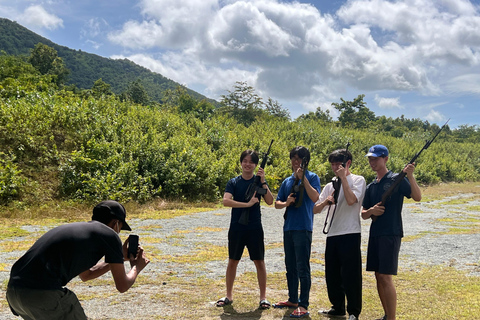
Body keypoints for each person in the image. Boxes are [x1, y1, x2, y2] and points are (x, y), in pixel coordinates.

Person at [6, 200, 150, 320]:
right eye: (119, 228)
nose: (118, 232)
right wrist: (137, 267)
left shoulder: (80, 231)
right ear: (115, 223)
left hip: (15, 293)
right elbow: (122, 286)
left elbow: (87, 275)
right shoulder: (110, 235)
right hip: (43, 294)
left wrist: (119, 258)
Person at [361, 145, 421, 320]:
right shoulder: (371, 185)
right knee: (378, 276)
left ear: (386, 159)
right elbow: (364, 214)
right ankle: (387, 315)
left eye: (376, 158)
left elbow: (417, 197)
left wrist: (410, 175)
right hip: (376, 234)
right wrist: (372, 211)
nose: (372, 162)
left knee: (386, 277)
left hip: (391, 232)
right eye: (370, 158)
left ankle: (392, 318)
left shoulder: (397, 179)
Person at [216, 149, 274, 309]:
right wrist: (246, 204)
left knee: (259, 261)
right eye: (245, 161)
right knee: (233, 260)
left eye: (251, 162)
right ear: (241, 163)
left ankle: (263, 298)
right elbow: (226, 201)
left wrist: (263, 181)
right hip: (237, 227)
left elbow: (270, 201)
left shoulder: (259, 182)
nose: (248, 164)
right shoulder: (233, 182)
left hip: (255, 227)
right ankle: (228, 295)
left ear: (256, 165)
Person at [314, 149, 366, 320]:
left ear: (348, 163)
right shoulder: (330, 185)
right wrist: (325, 201)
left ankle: (353, 311)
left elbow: (352, 201)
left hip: (350, 231)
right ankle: (337, 307)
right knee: (332, 274)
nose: (335, 167)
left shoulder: (358, 180)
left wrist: (343, 178)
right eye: (333, 164)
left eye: (339, 164)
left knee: (351, 274)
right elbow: (315, 209)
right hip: (333, 233)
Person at [273, 146, 321, 318]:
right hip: (289, 228)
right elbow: (276, 203)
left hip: (303, 227)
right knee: (290, 266)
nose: (295, 161)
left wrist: (303, 179)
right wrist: (286, 203)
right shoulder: (287, 181)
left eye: (299, 158)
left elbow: (316, 198)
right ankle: (292, 299)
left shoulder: (313, 177)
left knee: (303, 267)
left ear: (305, 161)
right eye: (293, 158)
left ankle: (303, 303)